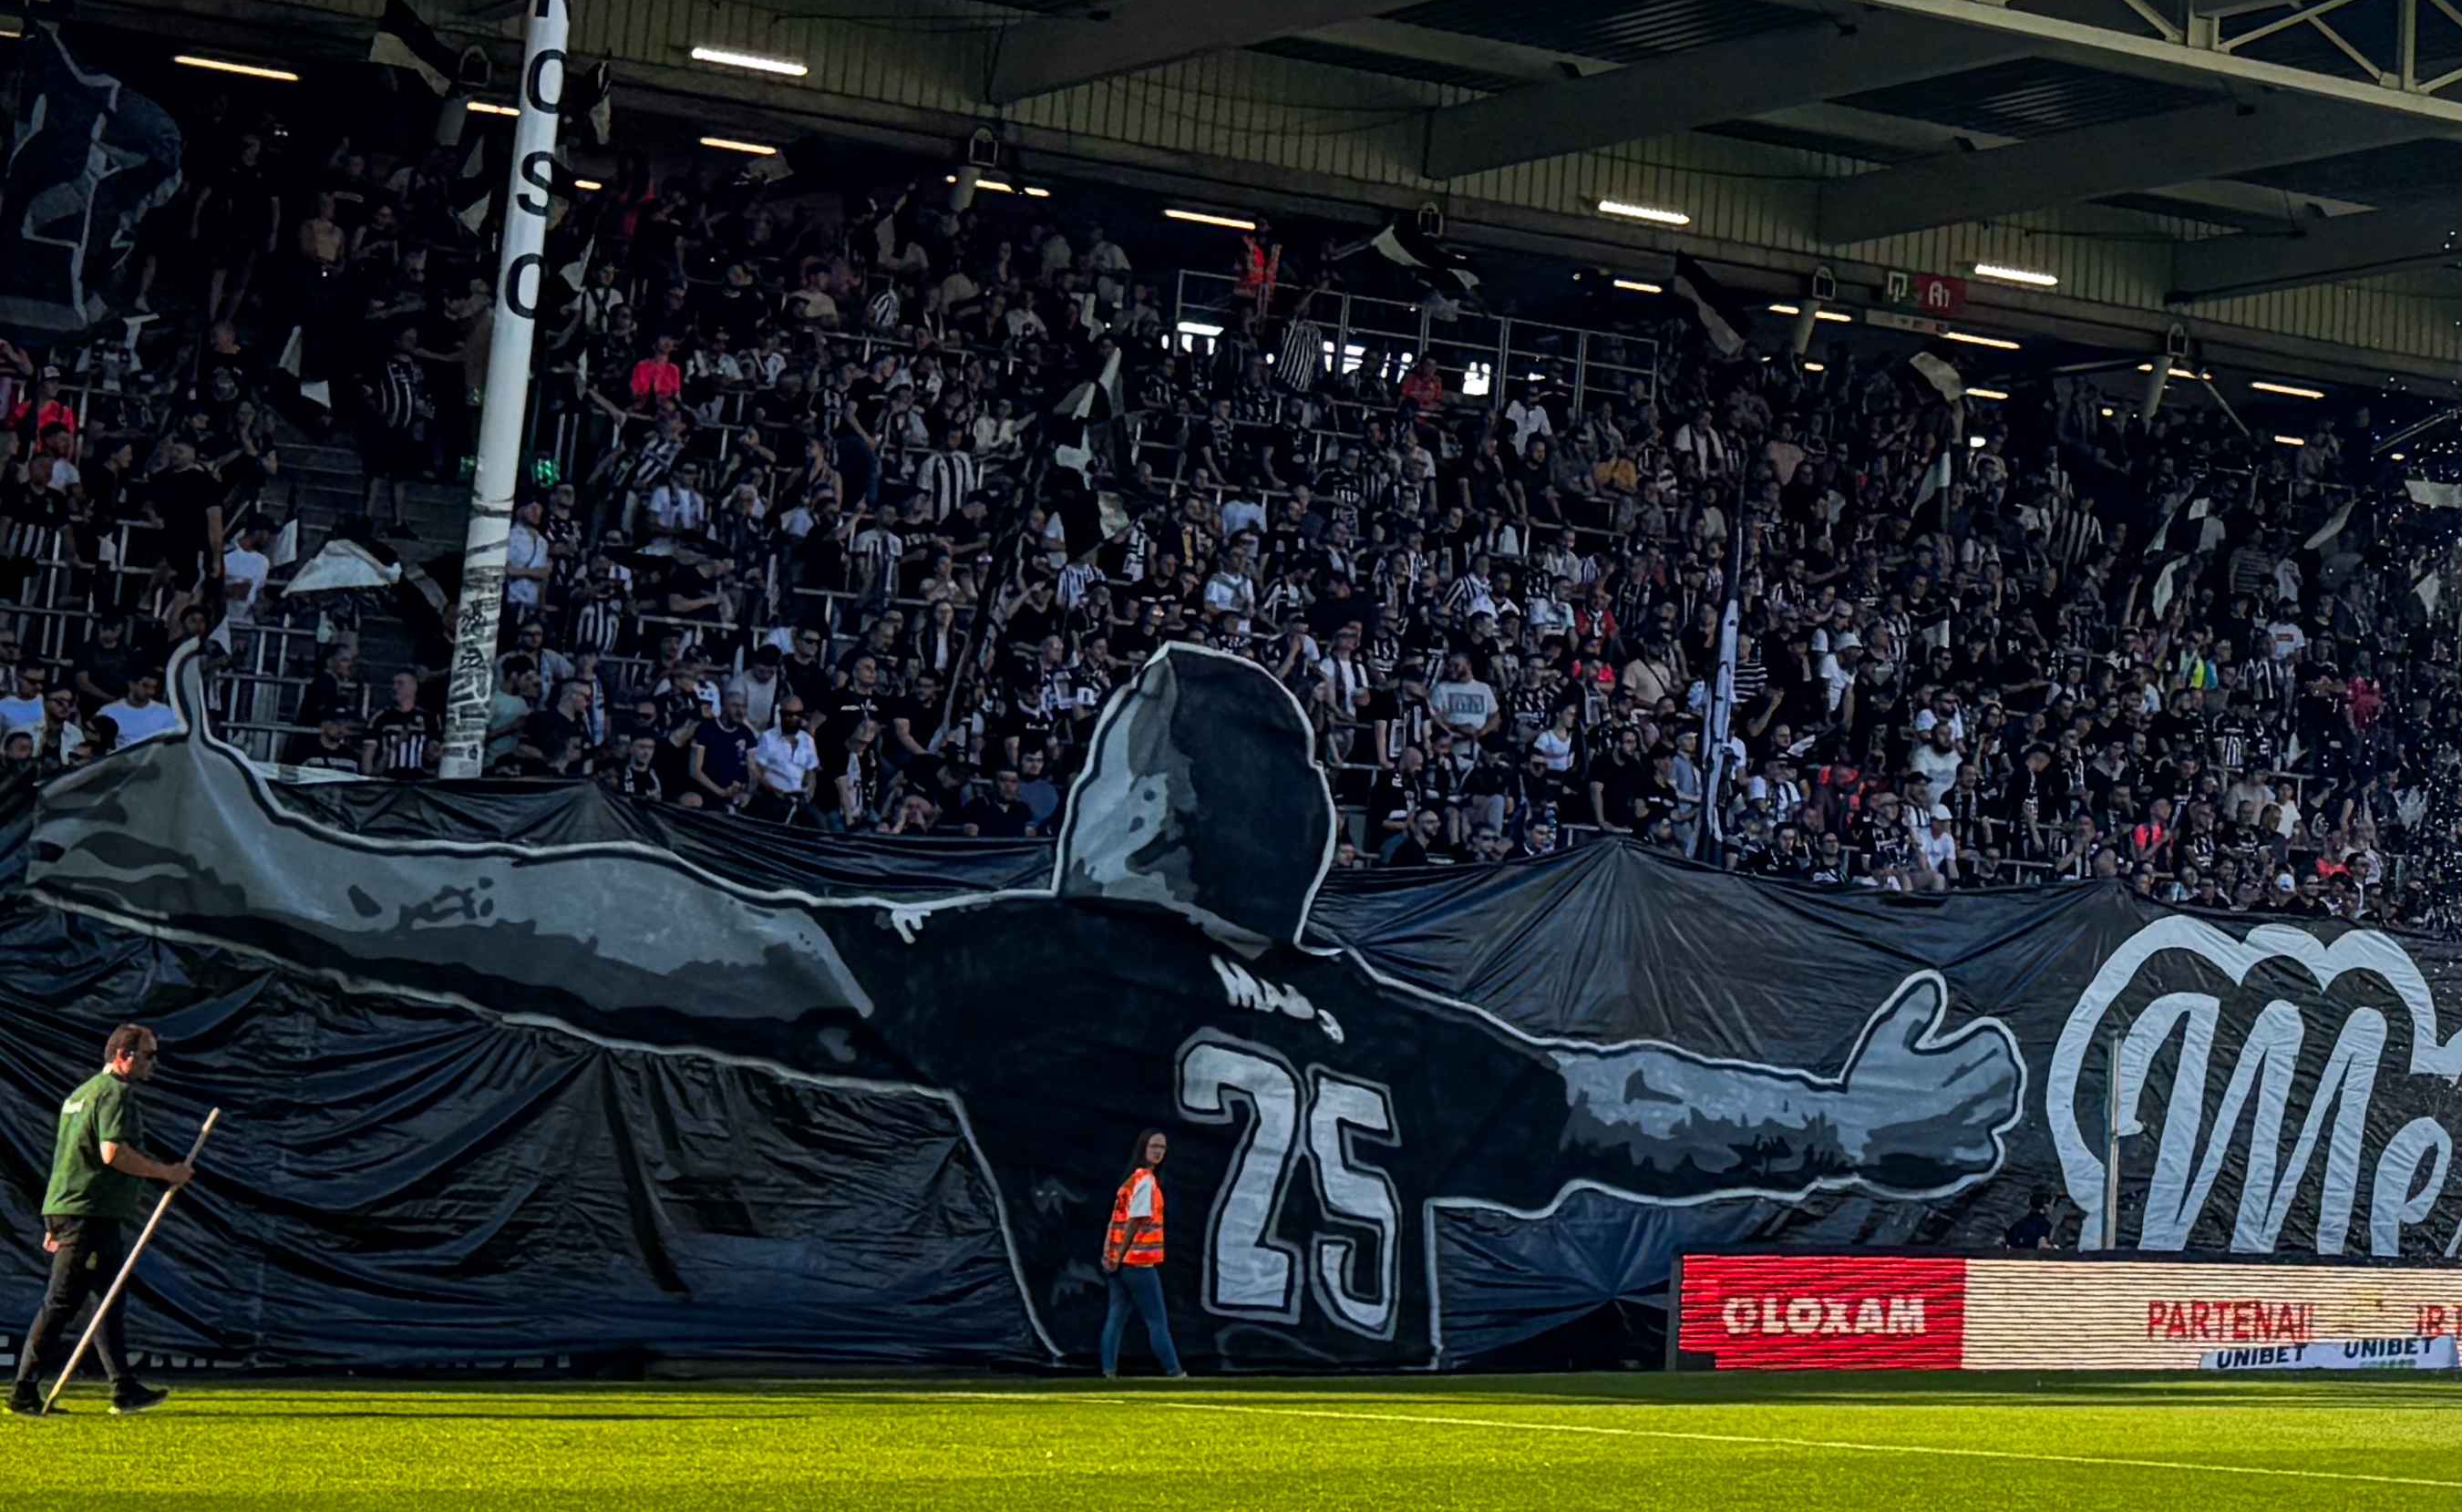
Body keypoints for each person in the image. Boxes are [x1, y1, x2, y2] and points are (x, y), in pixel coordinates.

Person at [39, 643, 2021, 1367]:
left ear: (1137, 807)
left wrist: (308, 871)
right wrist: (1853, 1121)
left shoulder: (1062, 966)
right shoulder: (1378, 1025)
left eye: (1097, 772)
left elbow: (675, 930)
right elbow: (1627, 1096)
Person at [14, 1022, 197, 1417]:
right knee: (61, 1301)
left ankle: (122, 1387)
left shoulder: (80, 1095)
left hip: (75, 1208)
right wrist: (168, 1173)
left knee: (107, 1299)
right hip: (87, 1213)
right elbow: (112, 1153)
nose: (154, 1064)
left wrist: (52, 1221)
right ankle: (23, 1391)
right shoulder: (115, 1093)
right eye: (148, 1055)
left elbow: (67, 1159)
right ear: (122, 1055)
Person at [1101, 1129, 1182, 1380]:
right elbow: (1134, 1221)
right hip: (1137, 1262)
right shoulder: (1146, 1181)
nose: (1158, 1151)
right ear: (1143, 1148)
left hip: (1119, 1262)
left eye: (1162, 1147)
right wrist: (1118, 1255)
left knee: (1116, 1317)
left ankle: (1108, 1371)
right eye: (1154, 1146)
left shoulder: (1130, 1181)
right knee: (1156, 1321)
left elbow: (1114, 1220)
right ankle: (1175, 1371)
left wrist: (1109, 1254)